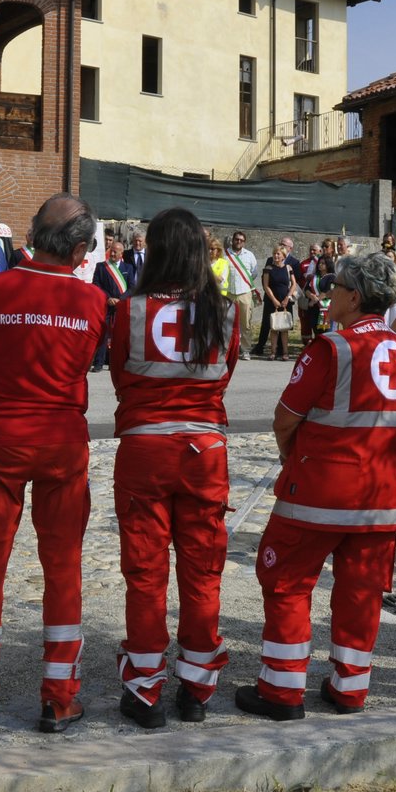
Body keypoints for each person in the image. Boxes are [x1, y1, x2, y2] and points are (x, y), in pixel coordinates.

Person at [237, 253, 396, 720]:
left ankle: (281, 691)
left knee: (287, 583)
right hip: (380, 498)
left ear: (354, 297)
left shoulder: (331, 348)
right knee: (361, 593)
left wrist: (290, 454)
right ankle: (349, 690)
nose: (329, 292)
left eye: (335, 285)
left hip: (319, 493)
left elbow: (284, 418)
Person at [0, 194, 107, 736]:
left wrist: (4, 351)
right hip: (62, 439)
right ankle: (59, 699)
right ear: (82, 249)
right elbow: (83, 361)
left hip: (0, 435)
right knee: (62, 565)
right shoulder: (90, 301)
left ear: (33, 234)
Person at [109, 207, 240, 727]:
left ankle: (144, 692)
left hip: (144, 448)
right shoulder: (224, 311)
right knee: (203, 571)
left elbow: (120, 374)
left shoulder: (130, 309)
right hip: (205, 451)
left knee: (144, 573)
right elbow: (224, 375)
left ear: (157, 250)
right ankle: (197, 690)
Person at [91, 239, 134, 372]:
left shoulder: (128, 268)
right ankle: (98, 363)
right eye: (111, 251)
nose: (112, 254)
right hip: (106, 305)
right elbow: (96, 284)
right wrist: (108, 298)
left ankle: (117, 363)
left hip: (121, 305)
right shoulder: (101, 266)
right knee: (103, 334)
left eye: (115, 252)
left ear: (122, 253)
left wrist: (120, 299)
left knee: (120, 335)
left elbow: (132, 287)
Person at [254, 245, 297, 360]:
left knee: (284, 328)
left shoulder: (288, 268)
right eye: (274, 253)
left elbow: (293, 284)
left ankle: (285, 353)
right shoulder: (268, 268)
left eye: (278, 254)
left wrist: (287, 298)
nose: (276, 256)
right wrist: (273, 300)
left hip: (285, 300)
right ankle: (272, 352)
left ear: (283, 256)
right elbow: (266, 285)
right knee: (274, 327)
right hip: (271, 300)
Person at [222, 231, 260, 358]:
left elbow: (254, 273)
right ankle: (227, 348)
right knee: (227, 322)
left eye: (241, 240)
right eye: (237, 239)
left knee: (246, 323)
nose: (239, 242)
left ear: (244, 242)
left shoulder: (249, 255)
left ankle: (245, 350)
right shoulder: (224, 255)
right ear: (232, 240)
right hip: (228, 293)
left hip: (244, 293)